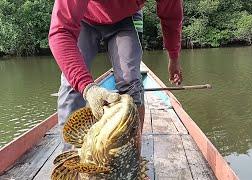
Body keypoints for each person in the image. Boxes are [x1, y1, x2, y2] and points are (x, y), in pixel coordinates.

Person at [49, 0, 183, 150]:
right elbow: (61, 31)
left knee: (131, 83)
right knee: (71, 86)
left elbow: (171, 16)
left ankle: (131, 157)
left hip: (126, 18)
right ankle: (71, 157)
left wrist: (174, 58)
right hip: (84, 18)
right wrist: (87, 88)